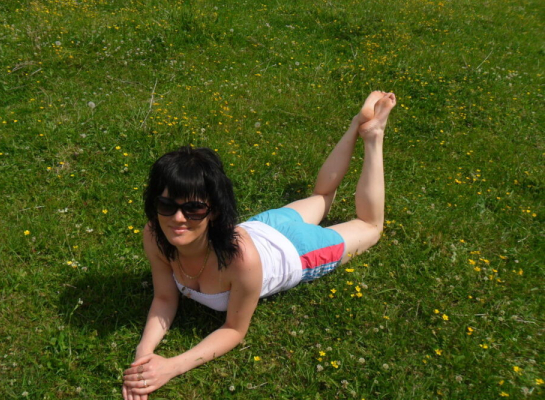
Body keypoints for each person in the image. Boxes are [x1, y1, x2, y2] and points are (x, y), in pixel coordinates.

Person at [122, 91, 397, 399]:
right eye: (166, 205)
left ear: (214, 211)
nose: (177, 218)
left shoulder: (240, 259)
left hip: (299, 250)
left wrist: (172, 366)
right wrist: (143, 356)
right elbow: (164, 297)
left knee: (370, 226)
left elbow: (234, 330)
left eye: (194, 209)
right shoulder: (155, 235)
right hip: (266, 224)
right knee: (321, 197)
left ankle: (373, 135)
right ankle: (357, 124)